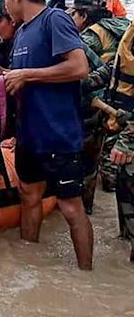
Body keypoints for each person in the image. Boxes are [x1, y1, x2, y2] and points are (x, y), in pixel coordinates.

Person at [0, 0, 93, 270]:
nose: (4, 3)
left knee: (71, 207)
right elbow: (23, 78)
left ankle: (87, 276)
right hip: (30, 135)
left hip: (58, 133)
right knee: (28, 195)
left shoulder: (54, 19)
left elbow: (79, 67)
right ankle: (28, 265)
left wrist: (26, 74)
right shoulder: (22, 33)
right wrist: (1, 72)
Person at [82, 22, 134, 262]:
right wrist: (84, 82)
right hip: (120, 121)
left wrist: (127, 140)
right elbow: (115, 68)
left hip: (129, 132)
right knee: (123, 187)